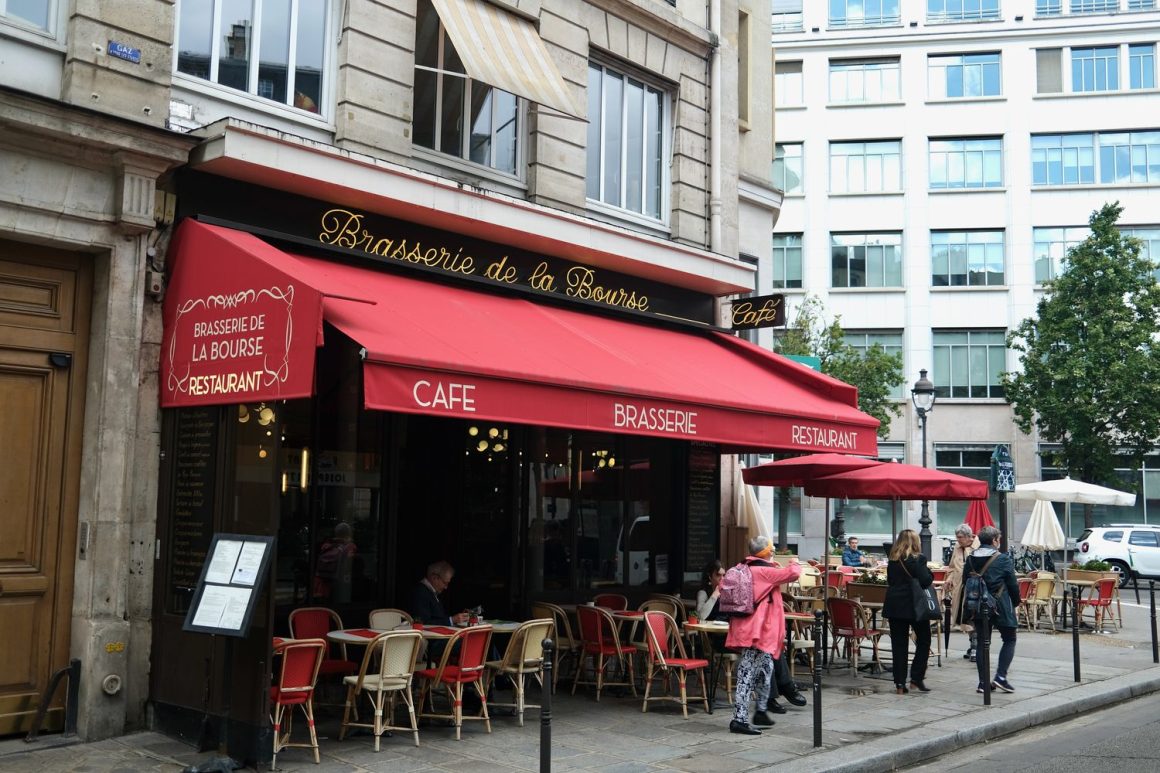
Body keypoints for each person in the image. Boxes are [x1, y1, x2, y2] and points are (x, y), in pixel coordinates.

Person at [725, 536, 802, 736]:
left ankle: (760, 710)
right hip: (755, 632)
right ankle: (739, 719)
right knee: (746, 674)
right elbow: (793, 573)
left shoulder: (746, 567)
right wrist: (793, 560)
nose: (773, 551)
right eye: (771, 548)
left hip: (753, 630)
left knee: (765, 669)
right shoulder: (764, 572)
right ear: (766, 552)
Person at [967, 525, 1020, 693]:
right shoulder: (1003, 559)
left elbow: (965, 584)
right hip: (1001, 604)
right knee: (1010, 638)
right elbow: (1012, 583)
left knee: (983, 642)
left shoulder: (970, 558)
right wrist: (1017, 601)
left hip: (977, 604)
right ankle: (1001, 677)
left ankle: (983, 683)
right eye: (999, 539)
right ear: (995, 540)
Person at [884, 529, 934, 695]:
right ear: (915, 542)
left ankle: (899, 683)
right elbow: (926, 581)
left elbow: (890, 581)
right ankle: (916, 677)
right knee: (924, 640)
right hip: (914, 606)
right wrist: (930, 573)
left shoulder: (892, 560)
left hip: (895, 606)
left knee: (898, 645)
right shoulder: (918, 559)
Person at [945, 523, 981, 661]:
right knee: (964, 617)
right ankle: (972, 644)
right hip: (959, 588)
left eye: (960, 537)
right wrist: (949, 579)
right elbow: (952, 567)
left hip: (974, 588)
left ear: (968, 537)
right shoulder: (957, 548)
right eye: (957, 537)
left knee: (973, 615)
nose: (958, 540)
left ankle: (975, 645)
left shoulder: (978, 547)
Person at [311, 522, 358, 602]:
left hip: (321, 584)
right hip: (339, 584)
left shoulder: (326, 545)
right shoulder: (350, 547)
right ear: (349, 533)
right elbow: (351, 566)